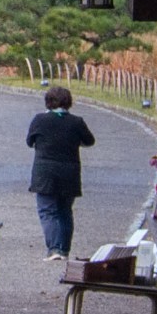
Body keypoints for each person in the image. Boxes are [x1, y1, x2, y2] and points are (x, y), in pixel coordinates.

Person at [26, 85, 95, 261]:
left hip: (44, 172)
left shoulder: (39, 120)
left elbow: (30, 141)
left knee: (48, 211)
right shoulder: (76, 122)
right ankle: (64, 249)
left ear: (48, 102)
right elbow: (89, 141)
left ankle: (54, 249)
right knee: (65, 211)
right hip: (69, 172)